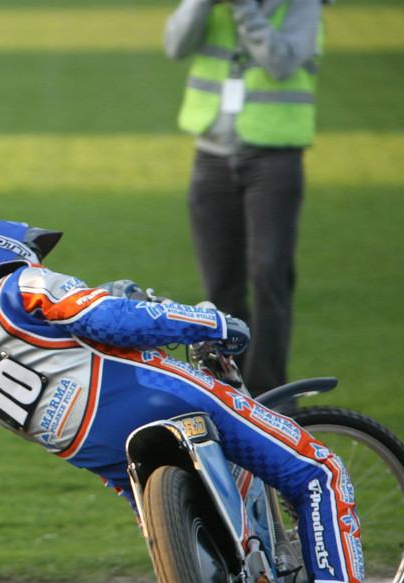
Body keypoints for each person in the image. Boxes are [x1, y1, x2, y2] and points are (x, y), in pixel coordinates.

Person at [0, 219, 398, 583]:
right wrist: (210, 322)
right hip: (158, 395)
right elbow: (110, 318)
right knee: (318, 472)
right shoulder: (19, 284)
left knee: (170, 534)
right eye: (25, 253)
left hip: (100, 451)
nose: (32, 260)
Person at [164, 0, 326, 396]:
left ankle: (273, 397)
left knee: (270, 273)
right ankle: (232, 395)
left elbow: (282, 61)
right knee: (220, 285)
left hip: (273, 159)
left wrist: (244, 10)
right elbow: (174, 44)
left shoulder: (301, 6)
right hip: (212, 158)